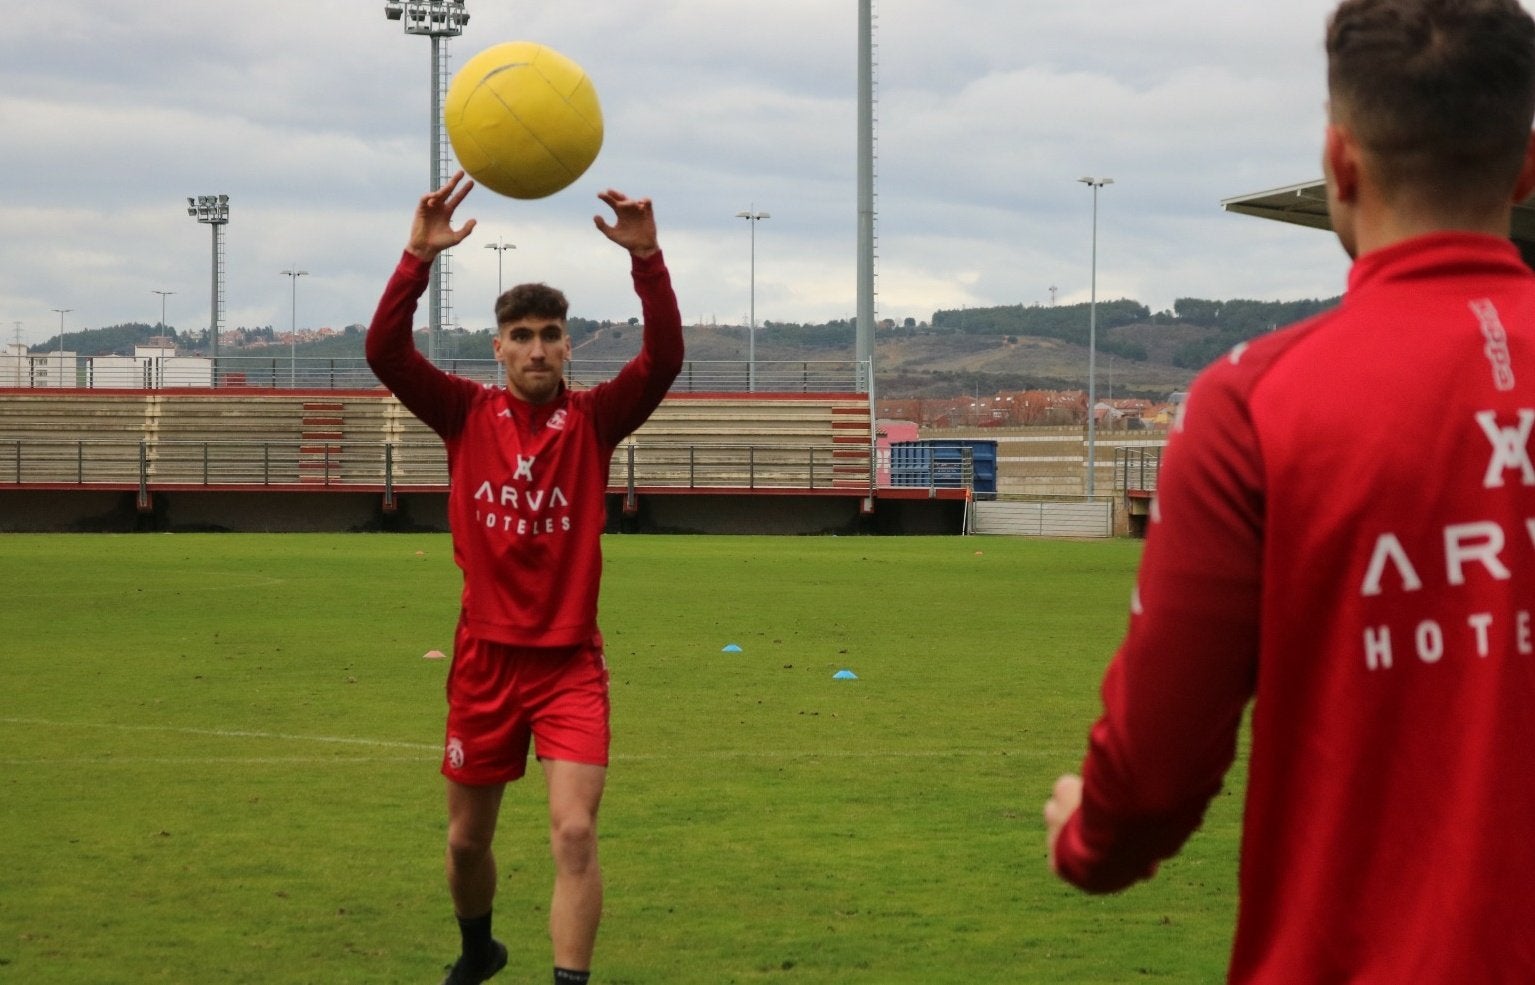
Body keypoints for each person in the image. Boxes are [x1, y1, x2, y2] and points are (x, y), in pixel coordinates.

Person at [1043, 0, 1535, 981]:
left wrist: (1086, 838)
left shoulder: (1251, 401)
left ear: (1338, 160)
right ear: (1524, 166)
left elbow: (1153, 769)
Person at [366, 171, 684, 985]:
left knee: (574, 833)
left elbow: (665, 357)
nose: (537, 347)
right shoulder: (463, 413)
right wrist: (416, 256)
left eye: (551, 333)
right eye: (522, 334)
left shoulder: (595, 421)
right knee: (466, 841)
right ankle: (480, 952)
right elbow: (385, 352)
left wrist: (647, 260)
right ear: (498, 346)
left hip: (570, 663)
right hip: (483, 663)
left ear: (568, 345)